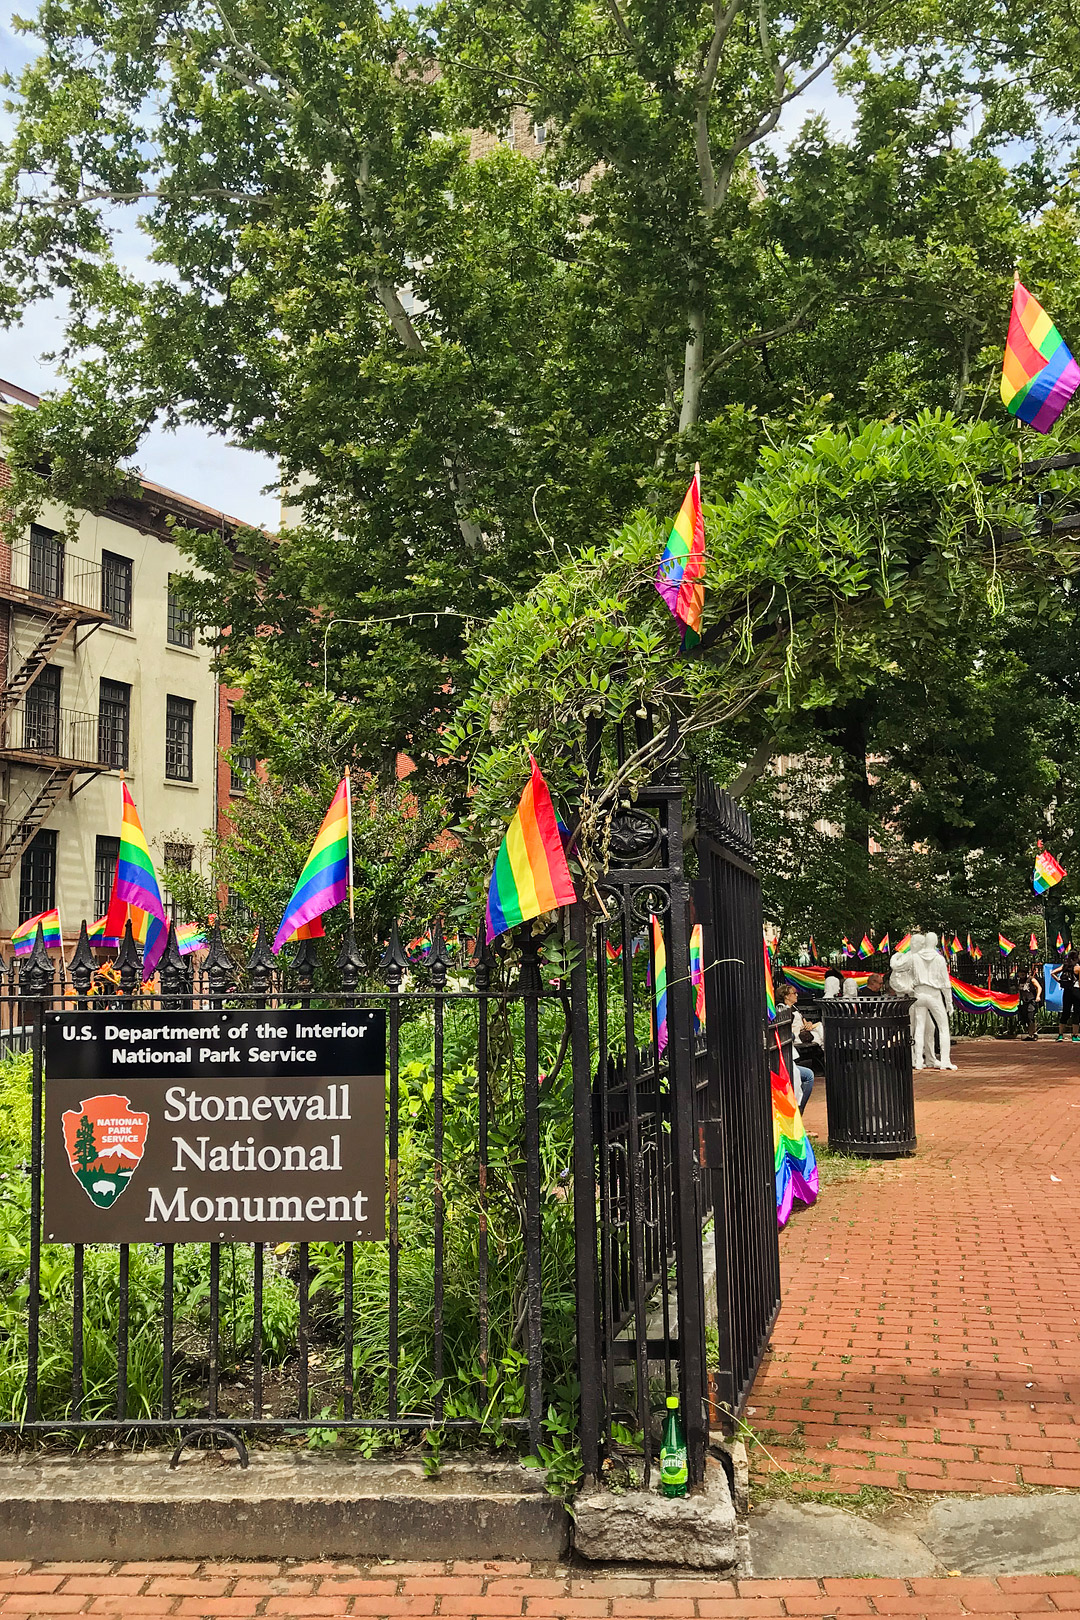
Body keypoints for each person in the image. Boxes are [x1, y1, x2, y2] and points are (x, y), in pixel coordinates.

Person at [779, 985, 816, 1105]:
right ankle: (799, 1108)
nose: (796, 995)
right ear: (786, 996)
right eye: (794, 993)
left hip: (798, 1037)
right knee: (808, 1076)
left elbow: (806, 1022)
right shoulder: (783, 1011)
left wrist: (809, 1024)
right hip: (793, 1040)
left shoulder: (794, 1008)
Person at [1053, 950, 1080, 1042]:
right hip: (1076, 991)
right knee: (1076, 1013)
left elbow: (1052, 973)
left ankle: (1060, 1035)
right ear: (1076, 958)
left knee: (1065, 1012)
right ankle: (1075, 1035)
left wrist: (1060, 981)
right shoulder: (1077, 968)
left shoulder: (1064, 966)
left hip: (1066, 991)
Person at [1019, 964, 1043, 1041]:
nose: (1022, 974)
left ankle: (1034, 1033)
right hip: (1024, 1001)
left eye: (1024, 972)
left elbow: (1039, 987)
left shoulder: (1031, 979)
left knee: (1031, 1017)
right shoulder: (1020, 981)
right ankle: (1030, 1034)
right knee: (1025, 1018)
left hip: (1031, 1000)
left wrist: (1038, 996)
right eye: (1020, 972)